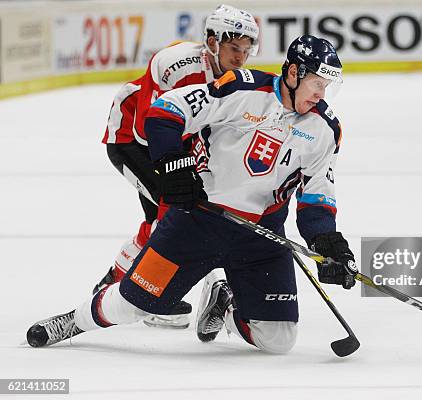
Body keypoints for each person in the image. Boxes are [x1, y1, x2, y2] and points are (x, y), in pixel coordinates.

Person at [26, 35, 358, 354]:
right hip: (199, 221)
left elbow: (316, 194)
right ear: (293, 73)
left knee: (278, 339)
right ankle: (75, 321)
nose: (321, 94)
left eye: (327, 86)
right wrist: (174, 164)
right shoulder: (242, 89)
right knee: (134, 305)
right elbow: (167, 110)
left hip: (261, 235)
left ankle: (224, 302)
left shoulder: (324, 129)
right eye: (317, 83)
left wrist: (327, 243)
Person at [96, 4, 259, 329]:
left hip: (179, 146)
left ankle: (130, 286)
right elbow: (149, 130)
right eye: (233, 47)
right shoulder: (176, 65)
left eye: (245, 50)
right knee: (171, 213)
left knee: (180, 215)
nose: (240, 57)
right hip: (131, 138)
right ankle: (116, 287)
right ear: (212, 41)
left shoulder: (236, 79)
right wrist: (182, 169)